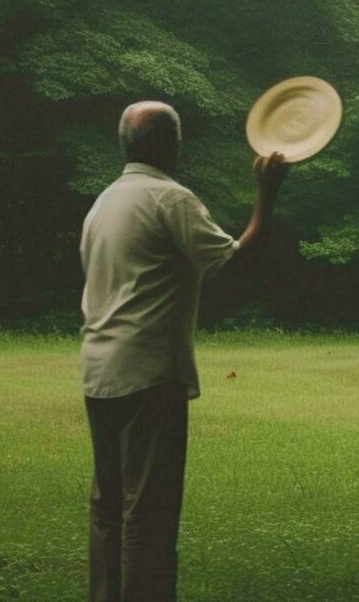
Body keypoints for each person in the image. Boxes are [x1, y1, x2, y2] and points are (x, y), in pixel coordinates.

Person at [79, 101, 288, 601]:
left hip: (97, 370)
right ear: (164, 144)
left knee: (108, 508)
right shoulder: (169, 199)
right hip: (149, 374)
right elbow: (235, 261)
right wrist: (267, 194)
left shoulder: (104, 202)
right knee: (148, 513)